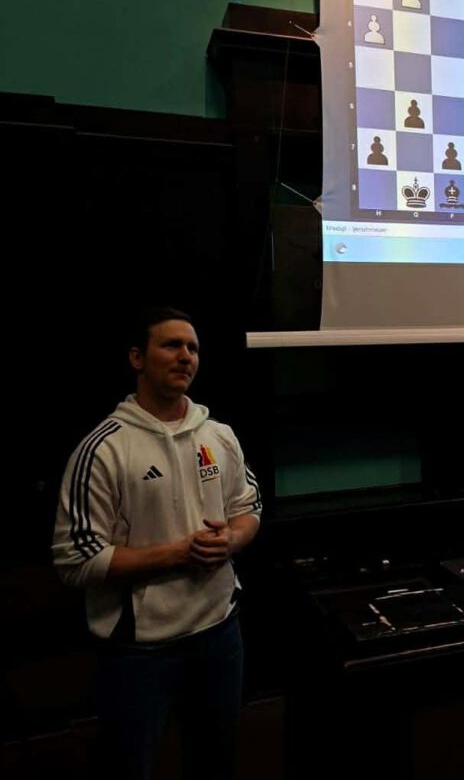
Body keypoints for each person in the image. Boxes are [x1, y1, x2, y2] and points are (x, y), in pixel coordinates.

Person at [52, 307, 262, 780]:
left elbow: (249, 509)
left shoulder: (219, 436)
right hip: (139, 652)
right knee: (130, 769)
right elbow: (75, 559)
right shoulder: (104, 449)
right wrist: (178, 554)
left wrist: (231, 540)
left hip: (220, 634)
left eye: (193, 348)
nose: (186, 356)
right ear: (137, 358)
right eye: (171, 345)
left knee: (215, 761)